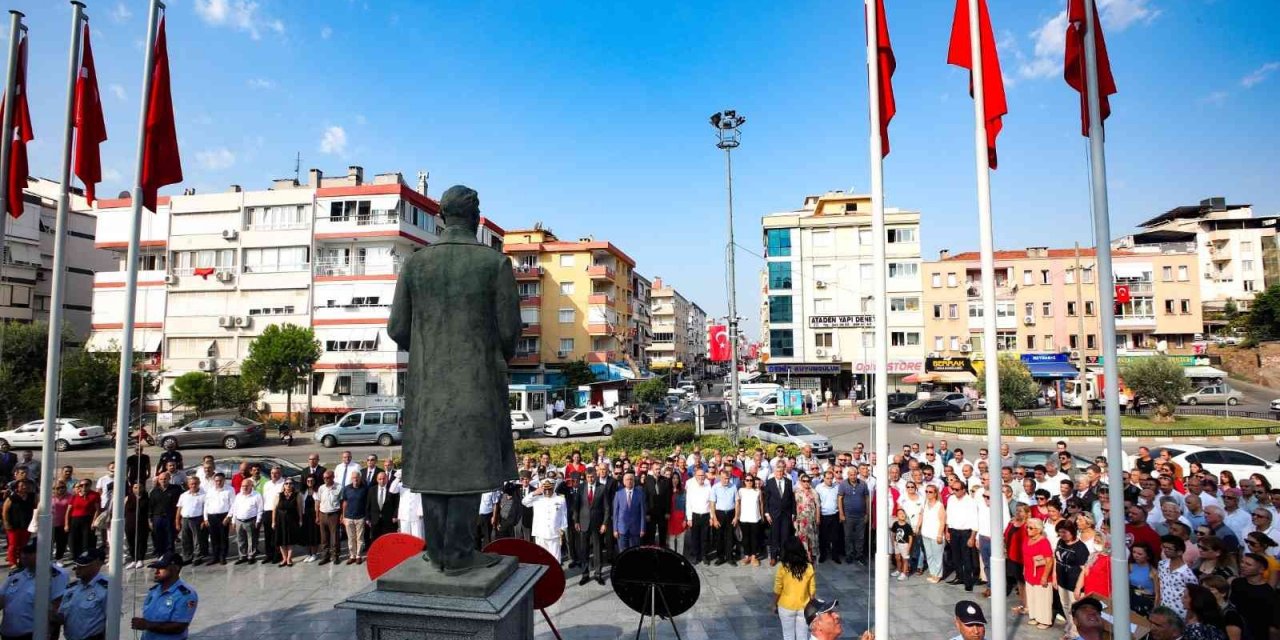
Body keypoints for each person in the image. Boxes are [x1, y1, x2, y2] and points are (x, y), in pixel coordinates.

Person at [1, 539, 69, 639]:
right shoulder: (16, 575)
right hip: (8, 633)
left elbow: (57, 608)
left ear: (43, 553)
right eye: (23, 552)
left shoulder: (55, 575)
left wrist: (50, 632)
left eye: (30, 553)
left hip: (34, 634)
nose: (24, 556)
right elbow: (2, 599)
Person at [131, 552, 197, 640]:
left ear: (175, 568)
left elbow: (179, 627)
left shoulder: (185, 594)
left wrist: (147, 625)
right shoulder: (154, 591)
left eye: (161, 568)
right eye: (156, 568)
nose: (156, 572)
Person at [57, 548, 110, 640]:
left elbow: (111, 621)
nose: (78, 570)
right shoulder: (71, 588)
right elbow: (62, 615)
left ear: (96, 565)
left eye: (83, 566)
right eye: (77, 566)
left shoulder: (105, 588)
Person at [1053, 519, 1090, 638]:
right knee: (1066, 607)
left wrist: (1078, 588)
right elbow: (1056, 560)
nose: (1062, 535)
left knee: (1075, 611)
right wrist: (1054, 577)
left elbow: (1084, 569)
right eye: (1060, 532)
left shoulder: (1080, 548)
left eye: (1064, 532)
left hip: (1073, 584)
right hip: (1062, 582)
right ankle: (1069, 630)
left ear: (1072, 531)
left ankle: (1075, 635)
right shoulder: (1060, 542)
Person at [773, 537, 815, 640]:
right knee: (803, 637)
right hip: (804, 607)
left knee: (788, 636)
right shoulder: (809, 567)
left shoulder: (782, 568)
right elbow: (812, 591)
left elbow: (778, 589)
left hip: (785, 606)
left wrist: (774, 604)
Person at [1230, 553, 1274, 640]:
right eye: (1242, 562)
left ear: (1261, 570)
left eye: (1248, 564)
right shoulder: (1237, 583)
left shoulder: (1268, 593)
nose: (1242, 565)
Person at [1022, 517, 1055, 630]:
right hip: (1029, 573)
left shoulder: (1044, 542)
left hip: (1040, 575)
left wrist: (1045, 576)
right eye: (1027, 527)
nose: (1028, 529)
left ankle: (1045, 620)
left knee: (1043, 598)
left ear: (1039, 529)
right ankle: (1035, 616)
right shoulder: (1027, 539)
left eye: (1031, 528)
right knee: (1032, 597)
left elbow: (1049, 561)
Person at [524, 479, 568, 561]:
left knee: (555, 558)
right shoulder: (537, 498)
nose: (547, 491)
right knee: (542, 558)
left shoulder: (560, 499)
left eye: (549, 489)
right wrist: (534, 493)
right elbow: (524, 502)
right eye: (545, 489)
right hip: (540, 533)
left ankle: (556, 574)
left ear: (554, 487)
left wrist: (562, 530)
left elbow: (564, 515)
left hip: (554, 533)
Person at [1158, 534, 1197, 619]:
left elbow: (1193, 598)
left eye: (1169, 549)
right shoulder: (1162, 564)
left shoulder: (1187, 574)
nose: (1165, 550)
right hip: (1164, 611)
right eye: (1164, 547)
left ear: (1180, 552)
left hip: (1180, 615)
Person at [2, 478, 35, 566]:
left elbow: (37, 507)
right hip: (13, 525)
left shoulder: (32, 496)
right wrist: (6, 523)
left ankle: (21, 561)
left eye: (26, 485)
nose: (24, 487)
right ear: (17, 487)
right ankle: (12, 562)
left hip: (26, 525)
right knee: (13, 545)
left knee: (23, 545)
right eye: (22, 485)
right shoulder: (12, 497)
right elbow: (5, 511)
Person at [67, 479, 102, 562]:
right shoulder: (75, 495)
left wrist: (94, 522)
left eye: (86, 485)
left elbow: (97, 509)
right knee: (75, 540)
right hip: (75, 519)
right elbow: (68, 510)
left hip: (87, 519)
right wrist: (66, 523)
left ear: (90, 485)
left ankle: (86, 558)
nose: (84, 487)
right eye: (81, 485)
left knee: (86, 540)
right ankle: (76, 558)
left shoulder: (95, 495)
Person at [340, 471, 370, 564]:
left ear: (360, 478)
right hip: (348, 517)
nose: (355, 479)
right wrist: (343, 516)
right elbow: (344, 503)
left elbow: (367, 504)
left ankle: (358, 555)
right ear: (351, 478)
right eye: (353, 478)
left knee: (359, 538)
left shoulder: (365, 489)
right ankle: (352, 555)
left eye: (357, 477)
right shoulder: (346, 488)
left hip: (360, 517)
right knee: (350, 537)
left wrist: (366, 516)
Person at [203, 473, 234, 565]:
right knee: (213, 538)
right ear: (214, 481)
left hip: (223, 516)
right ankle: (215, 557)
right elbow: (206, 504)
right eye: (216, 480)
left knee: (223, 537)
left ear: (224, 480)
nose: (218, 482)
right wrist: (205, 518)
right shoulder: (210, 490)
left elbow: (233, 505)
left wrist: (228, 517)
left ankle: (222, 556)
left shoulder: (229, 490)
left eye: (220, 480)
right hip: (211, 516)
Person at [709, 469, 738, 565]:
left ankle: (729, 557)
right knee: (719, 537)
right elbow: (712, 504)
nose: (727, 480)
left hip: (731, 513)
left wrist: (736, 517)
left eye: (728, 478)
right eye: (725, 478)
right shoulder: (715, 488)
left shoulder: (733, 486)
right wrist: (714, 519)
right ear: (720, 478)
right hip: (719, 514)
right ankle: (720, 557)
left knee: (730, 537)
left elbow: (737, 502)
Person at [231, 478, 263, 564]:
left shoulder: (257, 495)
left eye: (246, 486)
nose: (244, 488)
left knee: (251, 540)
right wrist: (233, 521)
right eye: (243, 486)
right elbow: (235, 509)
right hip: (239, 521)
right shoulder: (238, 496)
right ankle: (242, 556)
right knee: (240, 540)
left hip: (251, 520)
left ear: (251, 486)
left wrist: (258, 521)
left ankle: (251, 556)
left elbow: (260, 509)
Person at [612, 471, 645, 552]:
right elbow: (615, 513)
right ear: (623, 482)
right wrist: (615, 529)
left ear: (634, 481)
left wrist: (642, 529)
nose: (629, 481)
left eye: (631, 479)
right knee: (623, 552)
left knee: (634, 552)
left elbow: (642, 513)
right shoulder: (618, 494)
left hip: (635, 529)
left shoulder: (640, 494)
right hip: (622, 530)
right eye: (627, 479)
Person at [273, 480, 304, 567]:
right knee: (281, 540)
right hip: (280, 520)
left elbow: (299, 508)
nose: (288, 485)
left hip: (292, 519)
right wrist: (273, 521)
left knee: (290, 540)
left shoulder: (297, 495)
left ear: (293, 485)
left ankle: (289, 559)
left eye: (290, 483)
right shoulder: (278, 495)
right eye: (286, 483)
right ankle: (284, 558)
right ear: (284, 485)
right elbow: (274, 509)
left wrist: (300, 519)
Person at [736, 474, 764, 566]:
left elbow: (761, 504)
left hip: (755, 518)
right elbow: (738, 504)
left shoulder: (757, 491)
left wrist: (762, 516)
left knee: (754, 538)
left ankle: (753, 557)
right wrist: (737, 516)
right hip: (744, 518)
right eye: (747, 480)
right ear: (744, 481)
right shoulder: (740, 491)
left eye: (751, 480)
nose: (749, 482)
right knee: (745, 538)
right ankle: (747, 555)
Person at [1128, 542, 1161, 616]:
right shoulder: (1130, 566)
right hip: (1129, 599)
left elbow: (1157, 594)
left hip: (1144, 603)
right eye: (1134, 552)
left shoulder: (1153, 572)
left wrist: (1155, 611)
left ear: (1148, 556)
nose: (1135, 555)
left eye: (1140, 554)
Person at [366, 471, 400, 543]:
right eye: (380, 479)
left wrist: (395, 516)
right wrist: (367, 518)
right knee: (376, 541)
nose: (382, 481)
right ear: (377, 479)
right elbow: (368, 505)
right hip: (375, 520)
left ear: (387, 478)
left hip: (389, 520)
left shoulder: (392, 489)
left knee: (389, 540)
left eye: (383, 478)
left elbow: (397, 504)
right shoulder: (372, 490)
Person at [125, 482, 152, 568]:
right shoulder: (128, 498)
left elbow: (149, 511)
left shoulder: (147, 498)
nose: (137, 489)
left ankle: (140, 559)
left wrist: (149, 523)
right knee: (131, 541)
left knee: (141, 541)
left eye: (140, 487)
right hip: (130, 523)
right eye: (135, 487)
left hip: (142, 523)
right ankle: (134, 559)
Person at [793, 474, 819, 562]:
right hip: (801, 518)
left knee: (811, 537)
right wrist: (796, 518)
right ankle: (804, 554)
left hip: (811, 518)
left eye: (808, 481)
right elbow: (796, 505)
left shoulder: (814, 492)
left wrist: (818, 518)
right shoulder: (797, 492)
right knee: (802, 537)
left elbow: (818, 506)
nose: (806, 483)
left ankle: (810, 554)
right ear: (800, 482)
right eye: (804, 481)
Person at [889, 508, 914, 582]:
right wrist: (894, 542)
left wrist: (909, 547)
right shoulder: (895, 524)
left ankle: (904, 573)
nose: (902, 515)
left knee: (905, 559)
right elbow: (893, 534)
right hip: (897, 544)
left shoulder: (907, 526)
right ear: (897, 516)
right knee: (897, 558)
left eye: (903, 513)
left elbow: (910, 538)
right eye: (900, 513)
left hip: (904, 545)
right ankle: (898, 570)